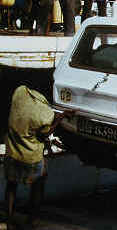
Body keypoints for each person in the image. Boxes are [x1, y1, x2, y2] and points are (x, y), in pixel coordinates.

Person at [4, 86, 73, 229]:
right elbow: (44, 135)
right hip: (32, 157)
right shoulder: (44, 114)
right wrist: (60, 118)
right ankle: (31, 221)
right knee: (38, 187)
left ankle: (9, 221)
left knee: (11, 187)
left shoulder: (19, 96)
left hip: (12, 153)